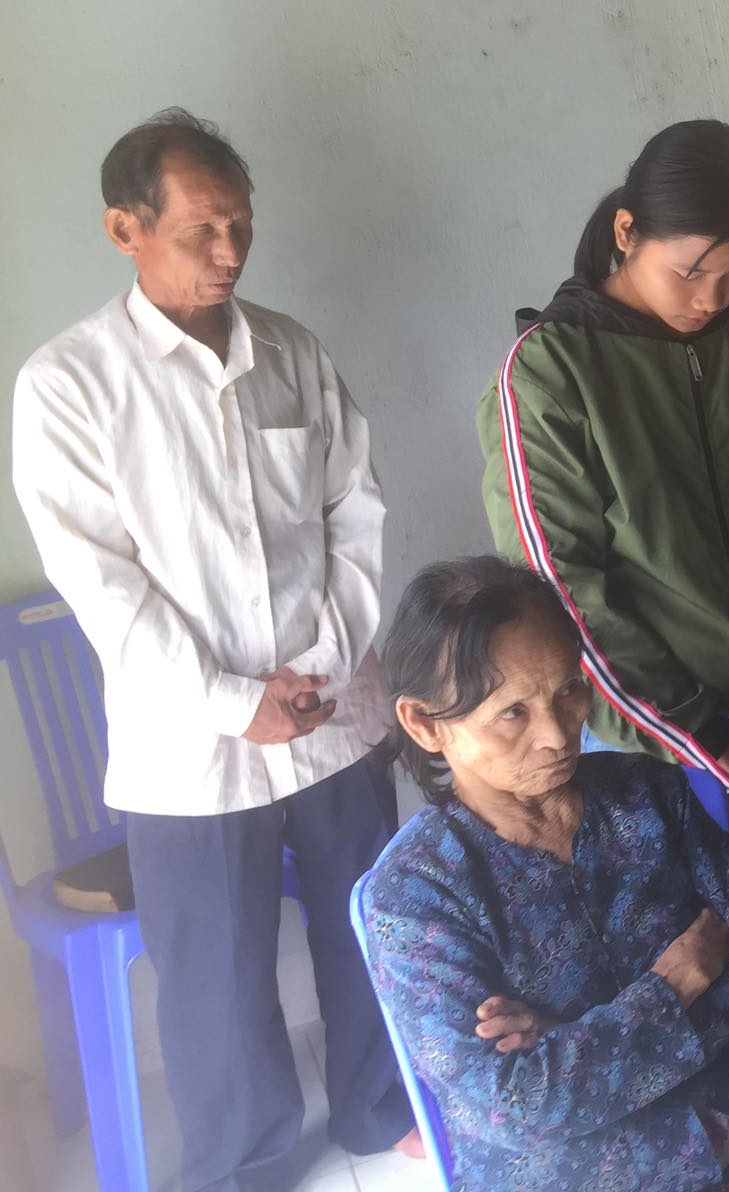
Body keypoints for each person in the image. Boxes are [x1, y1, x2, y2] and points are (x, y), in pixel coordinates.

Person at [11, 109, 416, 1190]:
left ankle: (379, 1107)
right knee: (215, 981)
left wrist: (327, 661)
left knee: (369, 924)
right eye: (201, 228)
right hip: (188, 742)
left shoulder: (292, 352)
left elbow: (355, 511)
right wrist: (235, 701)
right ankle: (245, 1166)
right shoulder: (68, 385)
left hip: (332, 711)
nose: (230, 249)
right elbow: (100, 582)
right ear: (125, 229)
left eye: (240, 222)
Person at [477, 119, 729, 1080]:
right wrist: (703, 730)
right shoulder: (551, 371)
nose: (711, 299)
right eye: (691, 271)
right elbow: (563, 595)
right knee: (667, 973)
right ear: (628, 232)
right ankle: (710, 1145)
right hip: (644, 743)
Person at [361, 556, 729, 1192]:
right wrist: (672, 989)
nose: (557, 734)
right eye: (512, 713)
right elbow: (516, 1106)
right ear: (425, 723)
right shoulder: (414, 895)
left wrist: (572, 1042)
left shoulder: (646, 793)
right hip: (578, 1174)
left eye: (569, 690)